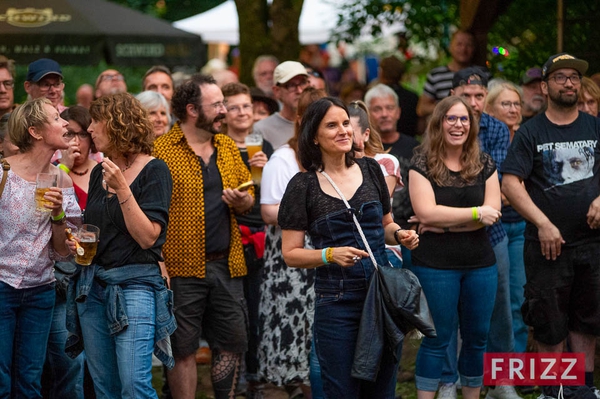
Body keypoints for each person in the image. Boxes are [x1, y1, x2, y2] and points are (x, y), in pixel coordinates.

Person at [279, 97, 418, 398]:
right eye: (332, 125)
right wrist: (329, 254)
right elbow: (290, 253)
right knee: (342, 390)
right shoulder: (303, 186)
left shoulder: (371, 170)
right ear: (314, 136)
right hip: (337, 302)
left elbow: (385, 226)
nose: (343, 130)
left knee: (382, 389)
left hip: (380, 295)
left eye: (345, 123)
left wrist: (402, 234)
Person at [502, 53, 600, 399]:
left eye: (574, 77)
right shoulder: (531, 132)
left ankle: (582, 390)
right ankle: (553, 391)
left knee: (587, 320)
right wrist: (542, 223)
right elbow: (510, 183)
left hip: (592, 244)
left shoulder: (594, 127)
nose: (569, 83)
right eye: (560, 78)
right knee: (549, 322)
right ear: (545, 87)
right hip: (547, 247)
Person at [66, 92, 175, 398]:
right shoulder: (102, 169)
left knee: (134, 385)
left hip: (135, 286)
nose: (89, 130)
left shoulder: (155, 170)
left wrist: (123, 190)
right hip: (94, 287)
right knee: (105, 388)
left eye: (95, 122)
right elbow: (101, 229)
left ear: (116, 124)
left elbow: (148, 237)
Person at [153, 74, 254, 399]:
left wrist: (243, 202)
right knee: (183, 349)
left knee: (231, 343)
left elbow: (247, 195)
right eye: (218, 105)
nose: (224, 110)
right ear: (193, 109)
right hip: (180, 269)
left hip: (227, 264)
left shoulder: (226, 146)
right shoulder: (162, 150)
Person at [408, 96, 501, 399]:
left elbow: (493, 213)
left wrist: (444, 223)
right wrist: (474, 214)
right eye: (451, 118)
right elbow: (426, 213)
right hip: (435, 265)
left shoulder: (484, 163)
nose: (458, 124)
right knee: (437, 338)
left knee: (476, 338)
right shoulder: (421, 162)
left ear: (471, 125)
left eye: (464, 119)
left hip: (480, 264)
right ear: (439, 123)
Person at [0, 97, 79, 398]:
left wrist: (58, 215)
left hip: (40, 291)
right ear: (35, 132)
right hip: (2, 286)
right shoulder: (3, 173)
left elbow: (62, 252)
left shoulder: (60, 178)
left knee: (30, 379)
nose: (65, 123)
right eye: (57, 118)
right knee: (1, 377)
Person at [448, 67, 516, 399]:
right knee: (452, 312)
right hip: (448, 237)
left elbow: (500, 189)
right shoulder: (440, 129)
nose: (473, 103)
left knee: (500, 308)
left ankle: (502, 382)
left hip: (493, 233)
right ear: (452, 96)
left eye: (479, 96)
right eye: (467, 96)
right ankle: (456, 380)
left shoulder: (498, 129)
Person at [259, 87, 327, 398]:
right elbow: (269, 211)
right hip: (289, 259)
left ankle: (315, 382)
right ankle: (287, 384)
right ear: (300, 122)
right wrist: (310, 212)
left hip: (324, 254)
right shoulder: (283, 158)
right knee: (290, 323)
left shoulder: (332, 160)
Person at [221, 81, 273, 396]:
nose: (242, 112)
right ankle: (234, 378)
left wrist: (266, 171)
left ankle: (256, 376)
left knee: (257, 310)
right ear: (223, 112)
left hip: (259, 237)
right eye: (235, 107)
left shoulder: (263, 146)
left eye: (246, 106)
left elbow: (269, 194)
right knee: (231, 313)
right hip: (228, 236)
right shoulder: (218, 146)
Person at [484, 82, 529, 355]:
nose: (513, 109)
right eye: (506, 103)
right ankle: (490, 370)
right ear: (489, 109)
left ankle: (518, 369)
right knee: (494, 302)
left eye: (516, 104)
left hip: (523, 228)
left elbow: (536, 187)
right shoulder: (483, 140)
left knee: (519, 299)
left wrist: (508, 192)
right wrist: (517, 192)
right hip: (492, 229)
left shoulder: (529, 137)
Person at [348, 100, 404, 268]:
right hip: (345, 250)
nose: (343, 135)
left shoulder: (385, 163)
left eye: (350, 131)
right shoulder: (330, 168)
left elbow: (369, 208)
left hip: (382, 248)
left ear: (365, 134)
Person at [417, 30, 476, 119]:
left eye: (468, 45)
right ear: (450, 47)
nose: (464, 49)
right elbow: (421, 109)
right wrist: (447, 108)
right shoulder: (436, 75)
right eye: (459, 44)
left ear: (474, 48)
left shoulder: (483, 75)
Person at [254, 61, 309, 150]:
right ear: (277, 91)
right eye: (291, 85)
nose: (299, 90)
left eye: (303, 83)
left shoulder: (318, 123)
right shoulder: (262, 129)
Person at [379, 55, 420, 137]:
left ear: (382, 72)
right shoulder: (412, 97)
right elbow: (419, 128)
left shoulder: (374, 97)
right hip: (409, 144)